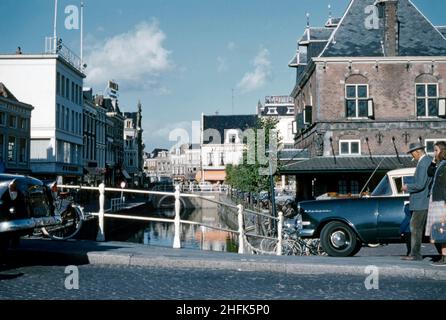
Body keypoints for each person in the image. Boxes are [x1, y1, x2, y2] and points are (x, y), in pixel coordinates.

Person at [401, 142, 433, 261]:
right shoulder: (427, 161)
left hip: (421, 201)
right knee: (419, 227)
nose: (411, 156)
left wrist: (407, 187)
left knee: (415, 227)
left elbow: (420, 184)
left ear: (417, 152)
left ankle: (415, 254)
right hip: (422, 200)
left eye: (412, 153)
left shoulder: (423, 163)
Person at [425, 141, 446, 266]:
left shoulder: (445, 166)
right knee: (440, 230)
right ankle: (443, 255)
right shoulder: (440, 165)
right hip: (437, 200)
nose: (434, 153)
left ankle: (445, 256)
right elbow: (429, 172)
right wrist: (433, 160)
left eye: (436, 150)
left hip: (441, 201)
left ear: (442, 151)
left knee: (442, 229)